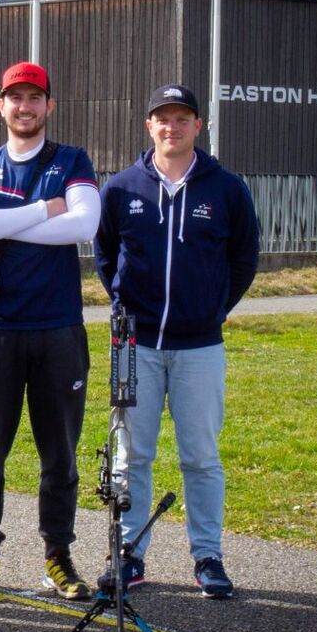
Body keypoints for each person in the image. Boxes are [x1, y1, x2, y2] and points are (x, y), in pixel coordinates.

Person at [93, 84, 259, 599]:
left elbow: (243, 260)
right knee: (131, 454)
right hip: (134, 346)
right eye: (162, 119)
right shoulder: (121, 188)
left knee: (201, 457)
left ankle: (208, 556)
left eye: (182, 117)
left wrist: (212, 311)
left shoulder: (226, 188)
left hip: (200, 347)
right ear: (149, 126)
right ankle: (130, 554)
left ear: (197, 125)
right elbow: (105, 256)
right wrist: (127, 312)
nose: (172, 127)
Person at [0, 61, 100, 602]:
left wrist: (7, 222)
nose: (24, 107)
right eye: (15, 98)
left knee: (58, 452)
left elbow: (83, 226)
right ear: (1, 106)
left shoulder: (71, 159)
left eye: (34, 97)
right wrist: (43, 210)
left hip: (58, 330)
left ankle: (58, 556)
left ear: (48, 106)